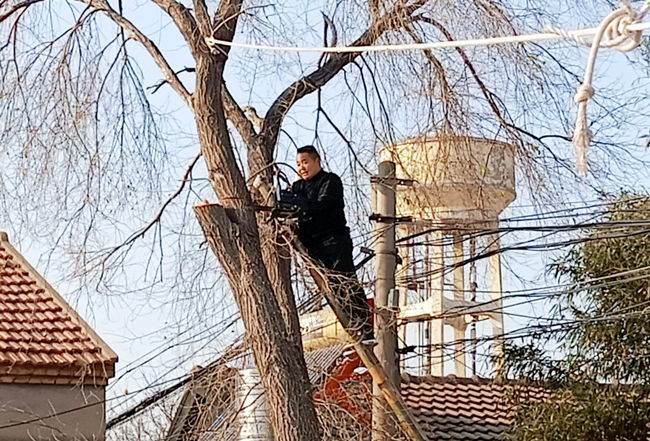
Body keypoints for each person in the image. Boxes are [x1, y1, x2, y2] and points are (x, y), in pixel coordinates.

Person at [291, 145, 375, 344]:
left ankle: (364, 328)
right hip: (311, 245)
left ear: (317, 161)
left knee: (345, 283)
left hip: (334, 241)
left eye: (305, 162)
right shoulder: (297, 187)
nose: (301, 167)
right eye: (298, 164)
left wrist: (301, 207)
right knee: (330, 290)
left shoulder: (330, 181)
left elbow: (323, 205)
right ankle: (351, 327)